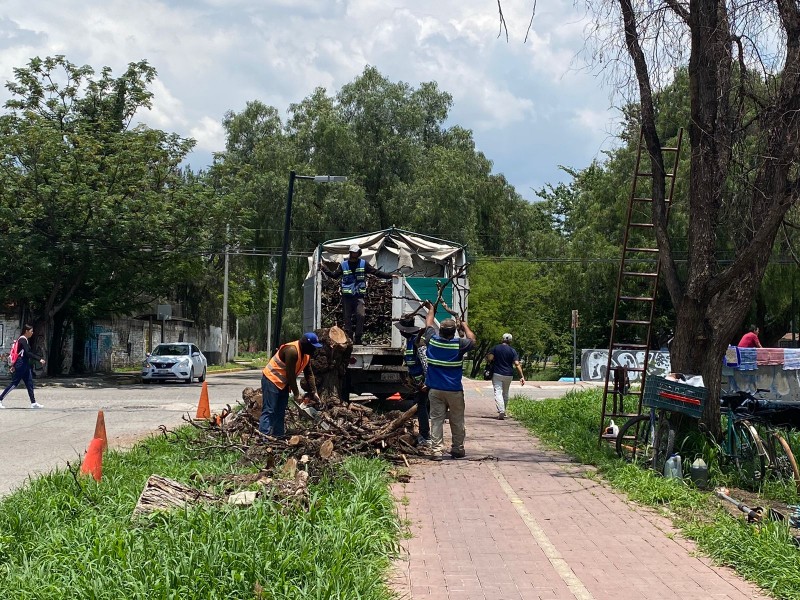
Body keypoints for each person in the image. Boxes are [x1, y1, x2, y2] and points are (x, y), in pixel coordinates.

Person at [424, 307, 476, 461]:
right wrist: (464, 325)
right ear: (453, 332)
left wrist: (431, 309)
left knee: (436, 421)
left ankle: (436, 451)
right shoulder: (458, 345)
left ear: (439, 331)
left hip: (435, 390)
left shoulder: (432, 341)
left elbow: (428, 324)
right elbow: (473, 340)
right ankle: (458, 449)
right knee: (457, 420)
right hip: (454, 390)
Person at [319, 244, 397, 344]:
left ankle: (358, 337)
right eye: (353, 252)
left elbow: (376, 272)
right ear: (350, 253)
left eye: (356, 252)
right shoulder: (343, 265)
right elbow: (334, 275)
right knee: (347, 318)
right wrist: (324, 268)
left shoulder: (363, 264)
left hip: (359, 296)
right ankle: (350, 337)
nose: (355, 254)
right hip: (347, 297)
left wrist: (390, 276)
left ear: (359, 253)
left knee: (361, 315)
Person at [260, 332, 322, 437]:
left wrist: (314, 391)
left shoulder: (306, 355)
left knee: (280, 411)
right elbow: (290, 374)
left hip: (283, 384)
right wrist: (296, 394)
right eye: (313, 347)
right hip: (271, 380)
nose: (314, 350)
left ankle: (278, 437)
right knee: (270, 410)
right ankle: (263, 438)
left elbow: (309, 374)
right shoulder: (292, 351)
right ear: (306, 345)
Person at [394, 309, 431, 447]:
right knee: (419, 407)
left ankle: (425, 436)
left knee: (422, 408)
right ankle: (423, 434)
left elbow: (426, 364)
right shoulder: (409, 340)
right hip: (416, 382)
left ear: (406, 330)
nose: (400, 331)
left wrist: (426, 383)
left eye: (401, 329)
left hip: (422, 383)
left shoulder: (418, 342)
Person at [0, 324, 46, 409]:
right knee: (14, 383)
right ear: (26, 331)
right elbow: (28, 353)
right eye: (31, 331)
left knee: (29, 383)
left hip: (25, 364)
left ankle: (33, 403)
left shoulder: (24, 340)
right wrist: (39, 359)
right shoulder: (22, 340)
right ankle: (0, 399)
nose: (32, 333)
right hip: (21, 364)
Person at [486, 333, 525, 420]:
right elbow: (517, 364)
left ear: (502, 339)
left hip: (497, 373)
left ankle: (501, 410)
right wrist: (521, 376)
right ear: (510, 341)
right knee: (505, 393)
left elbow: (490, 358)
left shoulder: (496, 348)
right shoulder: (512, 351)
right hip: (509, 374)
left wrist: (489, 357)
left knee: (498, 392)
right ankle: (504, 410)